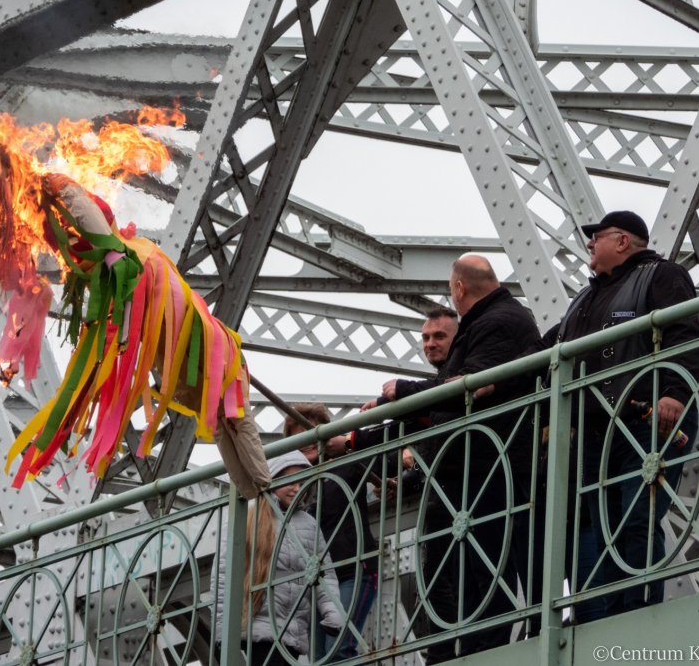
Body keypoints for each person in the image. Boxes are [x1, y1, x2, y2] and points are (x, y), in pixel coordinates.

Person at [368, 255, 541, 660]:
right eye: (425, 338)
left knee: (483, 565)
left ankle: (481, 644)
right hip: (472, 468)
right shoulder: (496, 320)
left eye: (438, 337)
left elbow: (469, 388)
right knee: (467, 568)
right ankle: (470, 643)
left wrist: (402, 393)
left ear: (459, 288)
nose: (431, 344)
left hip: (488, 464)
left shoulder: (495, 322)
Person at [545, 210, 699, 618]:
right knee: (607, 525)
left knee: (637, 518)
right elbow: (550, 352)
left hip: (648, 417)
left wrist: (675, 391)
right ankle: (616, 610)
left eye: (595, 238)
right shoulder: (588, 297)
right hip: (603, 428)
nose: (589, 245)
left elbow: (685, 335)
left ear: (621, 241)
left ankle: (636, 609)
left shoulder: (661, 276)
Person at [213, 451, 343, 666]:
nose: (297, 488)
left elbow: (324, 574)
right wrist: (221, 631)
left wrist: (334, 613)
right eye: (290, 481)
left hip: (291, 633)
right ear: (273, 479)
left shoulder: (309, 524)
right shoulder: (246, 518)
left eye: (302, 482)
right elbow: (223, 577)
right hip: (252, 631)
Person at [282, 403, 379, 661]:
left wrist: (400, 464)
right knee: (318, 658)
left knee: (338, 649)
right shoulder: (290, 485)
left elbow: (382, 460)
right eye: (298, 437)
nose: (306, 442)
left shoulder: (347, 465)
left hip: (353, 569)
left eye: (310, 433)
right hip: (317, 581)